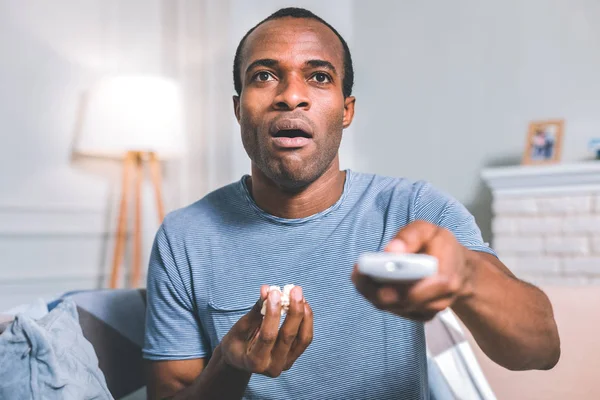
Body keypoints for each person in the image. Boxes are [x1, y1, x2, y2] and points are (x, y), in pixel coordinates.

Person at [143, 7, 560, 400]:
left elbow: (541, 350)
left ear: (346, 110)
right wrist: (231, 364)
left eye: (319, 77)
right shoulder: (184, 237)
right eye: (265, 75)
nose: (291, 96)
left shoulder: (415, 209)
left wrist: (467, 277)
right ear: (238, 110)